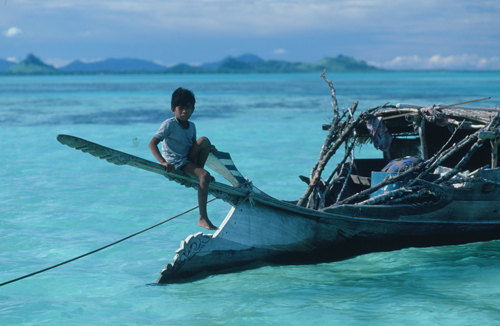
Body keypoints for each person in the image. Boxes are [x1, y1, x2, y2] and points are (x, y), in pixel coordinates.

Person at [149, 87, 218, 230]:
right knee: (205, 176)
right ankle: (202, 218)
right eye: (181, 108)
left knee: (204, 141)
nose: (185, 111)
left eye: (188, 107)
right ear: (173, 109)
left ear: (193, 109)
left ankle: (199, 175)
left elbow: (192, 145)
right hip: (177, 163)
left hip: (188, 159)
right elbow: (152, 143)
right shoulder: (169, 124)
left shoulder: (192, 126)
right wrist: (163, 162)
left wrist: (209, 148)